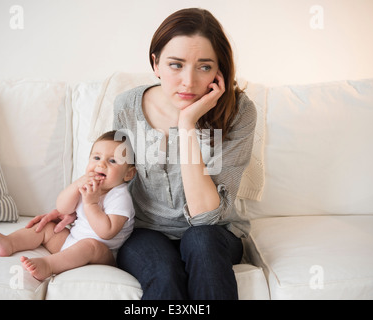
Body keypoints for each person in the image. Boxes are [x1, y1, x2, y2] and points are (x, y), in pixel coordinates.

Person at [29, 8, 256, 299]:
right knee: (163, 273)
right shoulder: (127, 106)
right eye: (176, 65)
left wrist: (187, 123)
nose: (188, 81)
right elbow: (112, 174)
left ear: (218, 71)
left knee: (201, 244)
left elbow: (205, 217)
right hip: (146, 231)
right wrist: (72, 208)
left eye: (203, 66)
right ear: (156, 64)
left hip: (215, 232)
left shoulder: (239, 112)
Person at [0, 131, 136, 281]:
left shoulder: (120, 197)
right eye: (96, 157)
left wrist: (90, 203)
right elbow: (63, 209)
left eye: (112, 161)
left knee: (91, 245)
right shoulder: (87, 185)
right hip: (71, 243)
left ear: (128, 174)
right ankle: (9, 243)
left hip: (100, 255)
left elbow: (106, 232)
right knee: (47, 227)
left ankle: (49, 264)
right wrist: (76, 185)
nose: (101, 164)